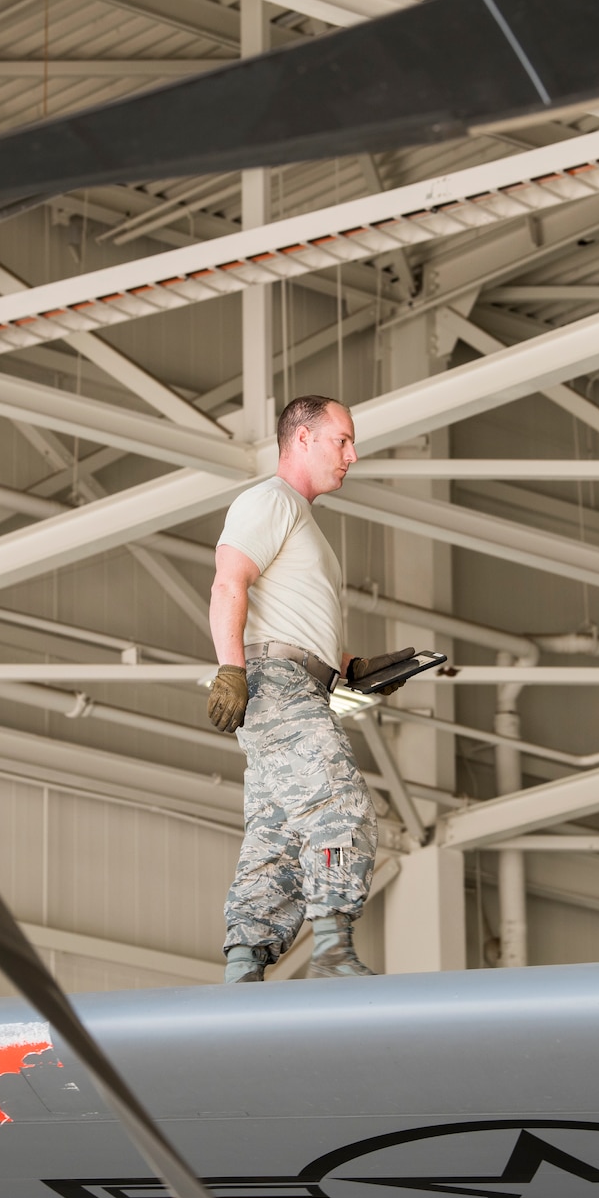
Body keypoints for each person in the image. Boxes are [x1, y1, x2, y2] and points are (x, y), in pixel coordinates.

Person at [206, 395, 412, 982]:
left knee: (274, 832)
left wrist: (354, 668)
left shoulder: (299, 522)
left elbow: (293, 624)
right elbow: (228, 584)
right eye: (341, 440)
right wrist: (231, 670)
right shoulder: (270, 501)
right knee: (337, 803)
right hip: (280, 685)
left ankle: (244, 964)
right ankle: (331, 948)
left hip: (296, 684)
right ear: (301, 438)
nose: (352, 454)